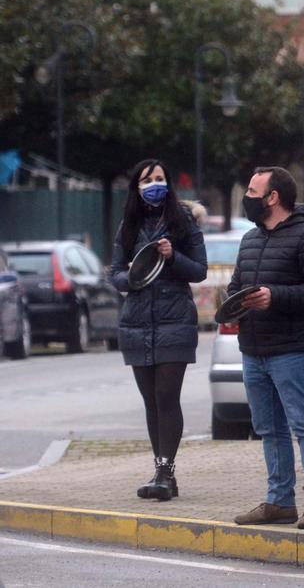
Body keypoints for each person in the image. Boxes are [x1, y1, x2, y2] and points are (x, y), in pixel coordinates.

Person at [229, 167, 304, 530]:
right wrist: (233, 304)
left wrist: (275, 297)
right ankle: (279, 501)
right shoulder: (249, 239)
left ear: (273, 197)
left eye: (252, 190)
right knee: (269, 428)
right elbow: (236, 285)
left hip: (293, 349)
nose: (247, 197)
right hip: (253, 349)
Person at [108, 159, 207, 501]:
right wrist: (132, 277)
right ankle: (160, 469)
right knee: (150, 401)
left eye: (160, 178)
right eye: (148, 179)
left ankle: (166, 471)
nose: (155, 183)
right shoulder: (129, 225)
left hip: (174, 319)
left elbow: (200, 271)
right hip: (137, 321)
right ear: (137, 186)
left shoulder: (183, 222)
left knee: (167, 397)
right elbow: (116, 273)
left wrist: (173, 256)